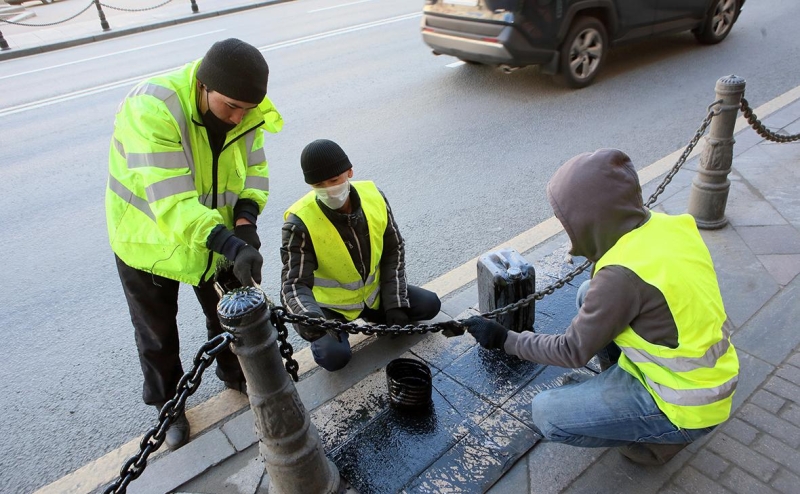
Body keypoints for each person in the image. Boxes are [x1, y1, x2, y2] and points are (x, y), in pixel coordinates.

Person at [463, 148, 739, 465]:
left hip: (687, 404)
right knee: (585, 293)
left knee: (546, 412)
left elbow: (570, 351)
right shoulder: (666, 226)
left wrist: (504, 339)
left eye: (568, 220)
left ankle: (655, 442)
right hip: (709, 375)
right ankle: (616, 393)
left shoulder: (620, 278)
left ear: (590, 218)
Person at [106, 38, 283, 451]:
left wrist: (245, 225)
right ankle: (168, 406)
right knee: (157, 335)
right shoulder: (152, 109)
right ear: (203, 87)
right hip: (148, 242)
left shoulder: (249, 114)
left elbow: (254, 169)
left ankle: (233, 371)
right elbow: (171, 201)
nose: (239, 118)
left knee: (225, 314)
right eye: (230, 107)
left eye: (247, 109)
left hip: (216, 236)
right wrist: (229, 241)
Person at [280, 139, 441, 371]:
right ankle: (339, 331)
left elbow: (393, 249)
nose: (329, 189)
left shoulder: (374, 197)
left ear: (350, 172)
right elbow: (293, 285)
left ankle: (377, 315)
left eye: (334, 180)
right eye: (319, 185)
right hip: (330, 308)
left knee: (430, 305)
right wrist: (312, 320)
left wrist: (395, 302)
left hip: (374, 294)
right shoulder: (300, 222)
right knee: (334, 358)